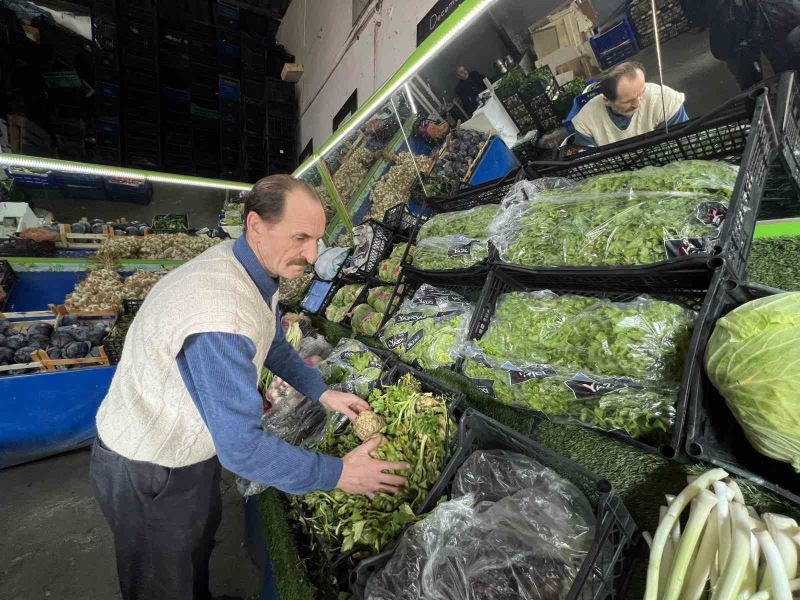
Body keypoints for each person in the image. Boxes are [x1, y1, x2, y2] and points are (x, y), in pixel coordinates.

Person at [89, 175, 411, 600]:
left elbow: (270, 339)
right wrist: (338, 474)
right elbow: (241, 449)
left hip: (191, 445)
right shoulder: (218, 313)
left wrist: (321, 391)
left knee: (195, 545)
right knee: (161, 579)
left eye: (317, 239)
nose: (313, 255)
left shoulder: (250, 267)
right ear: (256, 226)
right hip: (149, 463)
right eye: (300, 238)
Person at [572, 61, 689, 147]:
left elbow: (684, 141)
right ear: (607, 100)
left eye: (641, 92)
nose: (637, 104)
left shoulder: (664, 101)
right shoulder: (586, 121)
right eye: (629, 101)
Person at [704, 0, 800, 90]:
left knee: (790, 75)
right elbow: (700, 14)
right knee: (752, 87)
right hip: (735, 32)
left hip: (778, 17)